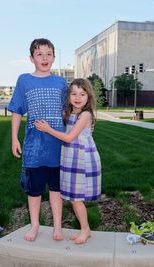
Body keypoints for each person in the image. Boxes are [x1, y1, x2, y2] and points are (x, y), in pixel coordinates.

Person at [8, 38, 67, 242]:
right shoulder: (24, 80)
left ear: (54, 57)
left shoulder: (61, 82)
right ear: (31, 58)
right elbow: (16, 110)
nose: (44, 58)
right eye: (39, 54)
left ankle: (57, 227)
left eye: (48, 54)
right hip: (34, 148)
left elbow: (70, 110)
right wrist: (14, 138)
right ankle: (35, 226)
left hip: (58, 147)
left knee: (56, 190)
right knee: (34, 191)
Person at [34, 78, 101, 244]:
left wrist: (47, 129)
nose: (78, 97)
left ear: (89, 97)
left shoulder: (85, 115)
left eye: (82, 94)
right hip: (72, 158)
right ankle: (85, 229)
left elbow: (70, 137)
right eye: (74, 94)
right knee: (73, 198)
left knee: (77, 199)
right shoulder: (72, 113)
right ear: (69, 96)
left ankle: (85, 229)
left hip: (82, 159)